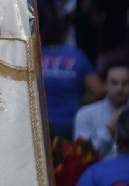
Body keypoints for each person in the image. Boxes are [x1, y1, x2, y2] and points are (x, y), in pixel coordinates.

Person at [41, 12, 103, 143]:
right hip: (69, 123)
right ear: (66, 33)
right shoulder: (77, 56)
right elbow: (98, 90)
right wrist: (79, 102)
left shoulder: (32, 56)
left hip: (40, 125)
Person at [75, 62, 129, 160]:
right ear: (105, 84)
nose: (119, 88)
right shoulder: (85, 114)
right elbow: (82, 157)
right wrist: (109, 129)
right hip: (98, 173)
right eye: (114, 83)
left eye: (125, 83)